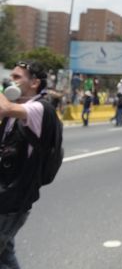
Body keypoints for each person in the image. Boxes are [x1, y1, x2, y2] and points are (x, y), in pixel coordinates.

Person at [0, 61, 61, 268]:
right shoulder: (16, 111)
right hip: (5, 192)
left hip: (13, 199)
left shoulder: (39, 108)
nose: (11, 80)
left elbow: (4, 107)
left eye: (17, 77)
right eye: (11, 76)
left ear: (34, 83)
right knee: (5, 254)